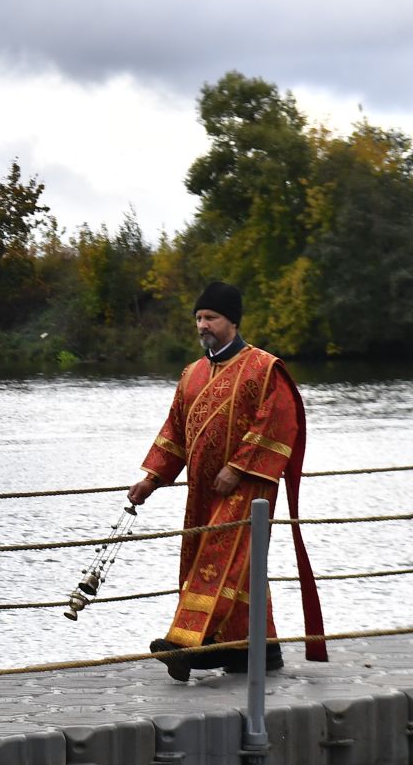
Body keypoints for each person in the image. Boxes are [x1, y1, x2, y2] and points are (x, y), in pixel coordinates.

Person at [128, 281, 325, 681]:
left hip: (248, 487)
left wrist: (237, 467)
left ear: (232, 321)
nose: (203, 325)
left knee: (219, 564)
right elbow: (175, 432)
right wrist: (151, 479)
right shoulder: (192, 375)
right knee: (233, 570)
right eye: (199, 318)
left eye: (211, 318)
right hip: (201, 492)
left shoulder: (264, 367)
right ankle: (253, 650)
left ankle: (188, 645)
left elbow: (280, 423)